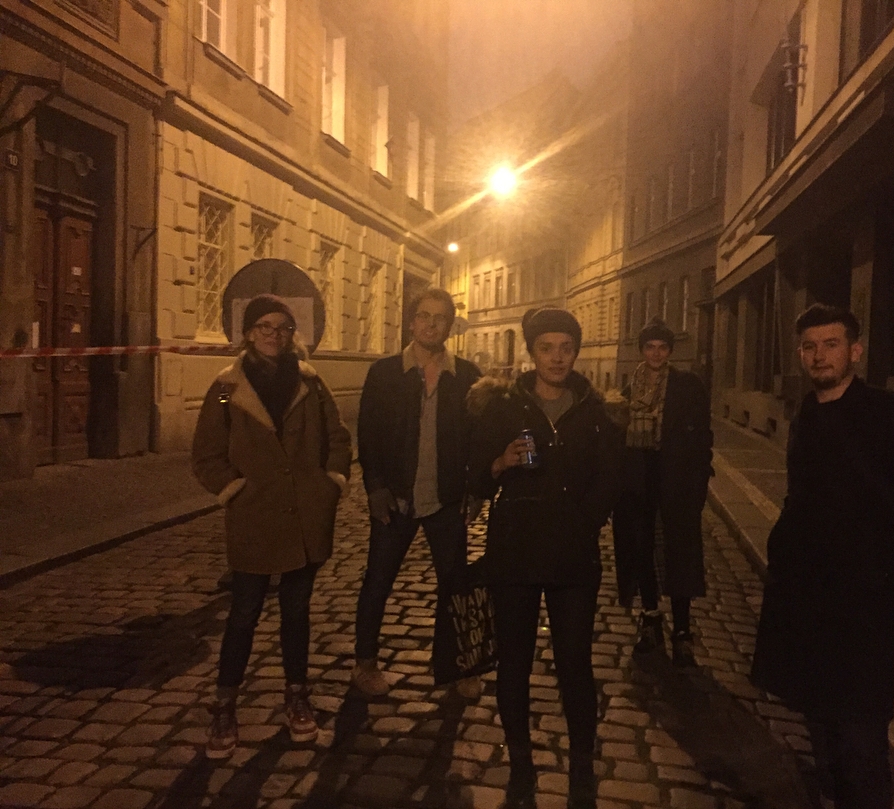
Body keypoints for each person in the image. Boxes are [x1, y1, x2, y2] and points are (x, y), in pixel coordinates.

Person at [751, 304, 894, 809]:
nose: (819, 355)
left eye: (831, 344)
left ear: (855, 351)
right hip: (803, 594)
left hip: (863, 598)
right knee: (818, 725)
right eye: (809, 347)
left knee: (861, 737)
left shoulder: (891, 414)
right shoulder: (806, 413)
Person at [467, 308, 621, 809]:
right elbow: (474, 477)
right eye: (547, 348)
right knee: (514, 664)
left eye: (566, 348)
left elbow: (610, 480)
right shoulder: (504, 407)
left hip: (573, 558)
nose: (557, 357)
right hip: (514, 552)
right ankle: (521, 766)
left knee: (575, 664)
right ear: (532, 352)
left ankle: (581, 766)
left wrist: (584, 522)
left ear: (576, 352)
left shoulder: (594, 413)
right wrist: (500, 462)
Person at [192, 294, 353, 760]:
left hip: (305, 514)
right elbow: (206, 451)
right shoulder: (227, 387)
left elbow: (337, 437)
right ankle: (225, 705)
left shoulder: (311, 382)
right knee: (244, 613)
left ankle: (297, 696)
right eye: (265, 326)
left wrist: (332, 481)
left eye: (283, 327)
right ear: (248, 332)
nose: (274, 335)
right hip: (255, 515)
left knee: (296, 612)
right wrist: (233, 489)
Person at [352, 287, 483, 698]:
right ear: (411, 323)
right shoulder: (385, 373)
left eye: (440, 317)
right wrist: (375, 487)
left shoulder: (467, 376)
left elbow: (480, 439)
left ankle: (457, 667)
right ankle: (365, 663)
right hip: (396, 497)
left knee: (455, 586)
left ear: (450, 326)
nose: (431, 324)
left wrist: (477, 489)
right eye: (424, 316)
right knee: (377, 582)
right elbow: (368, 434)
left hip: (447, 498)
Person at [611, 317, 713, 667]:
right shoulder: (628, 392)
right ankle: (651, 618)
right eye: (650, 347)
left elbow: (703, 437)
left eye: (662, 347)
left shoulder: (687, 386)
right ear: (642, 350)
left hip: (676, 482)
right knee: (642, 550)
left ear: (669, 351)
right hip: (638, 483)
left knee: (678, 553)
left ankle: (682, 631)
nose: (656, 353)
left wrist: (698, 483)